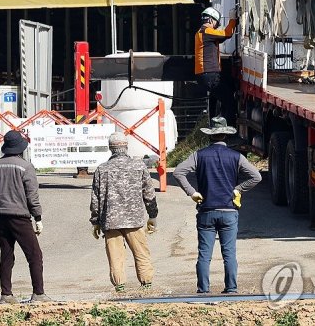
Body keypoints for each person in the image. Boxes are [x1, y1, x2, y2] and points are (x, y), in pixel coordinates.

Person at [173, 117, 262, 294]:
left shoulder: (199, 155)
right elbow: (256, 177)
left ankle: (203, 290)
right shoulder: (236, 157)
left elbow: (178, 172)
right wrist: (238, 189)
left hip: (206, 211)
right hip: (228, 210)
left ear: (210, 135)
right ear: (226, 135)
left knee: (204, 254)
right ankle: (231, 288)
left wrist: (192, 192)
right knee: (229, 254)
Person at [0, 130, 51, 304]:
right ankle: (38, 293)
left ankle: (6, 294)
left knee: (6, 255)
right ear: (20, 148)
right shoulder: (25, 167)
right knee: (34, 255)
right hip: (19, 216)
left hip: (0, 215)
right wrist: (38, 217)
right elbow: (32, 196)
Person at [90, 132, 158, 293]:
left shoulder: (102, 169)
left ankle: (120, 287)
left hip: (110, 221)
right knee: (141, 252)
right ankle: (147, 284)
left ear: (110, 148)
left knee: (115, 256)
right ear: (126, 147)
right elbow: (149, 193)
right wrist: (152, 215)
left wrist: (95, 221)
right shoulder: (138, 166)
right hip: (134, 220)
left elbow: (95, 199)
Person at [194, 7, 237, 121]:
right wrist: (233, 20)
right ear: (210, 20)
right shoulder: (207, 31)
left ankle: (213, 123)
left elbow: (221, 38)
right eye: (216, 24)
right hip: (210, 75)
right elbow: (227, 33)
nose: (216, 27)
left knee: (216, 98)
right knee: (229, 100)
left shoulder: (200, 32)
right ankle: (230, 126)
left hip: (204, 75)